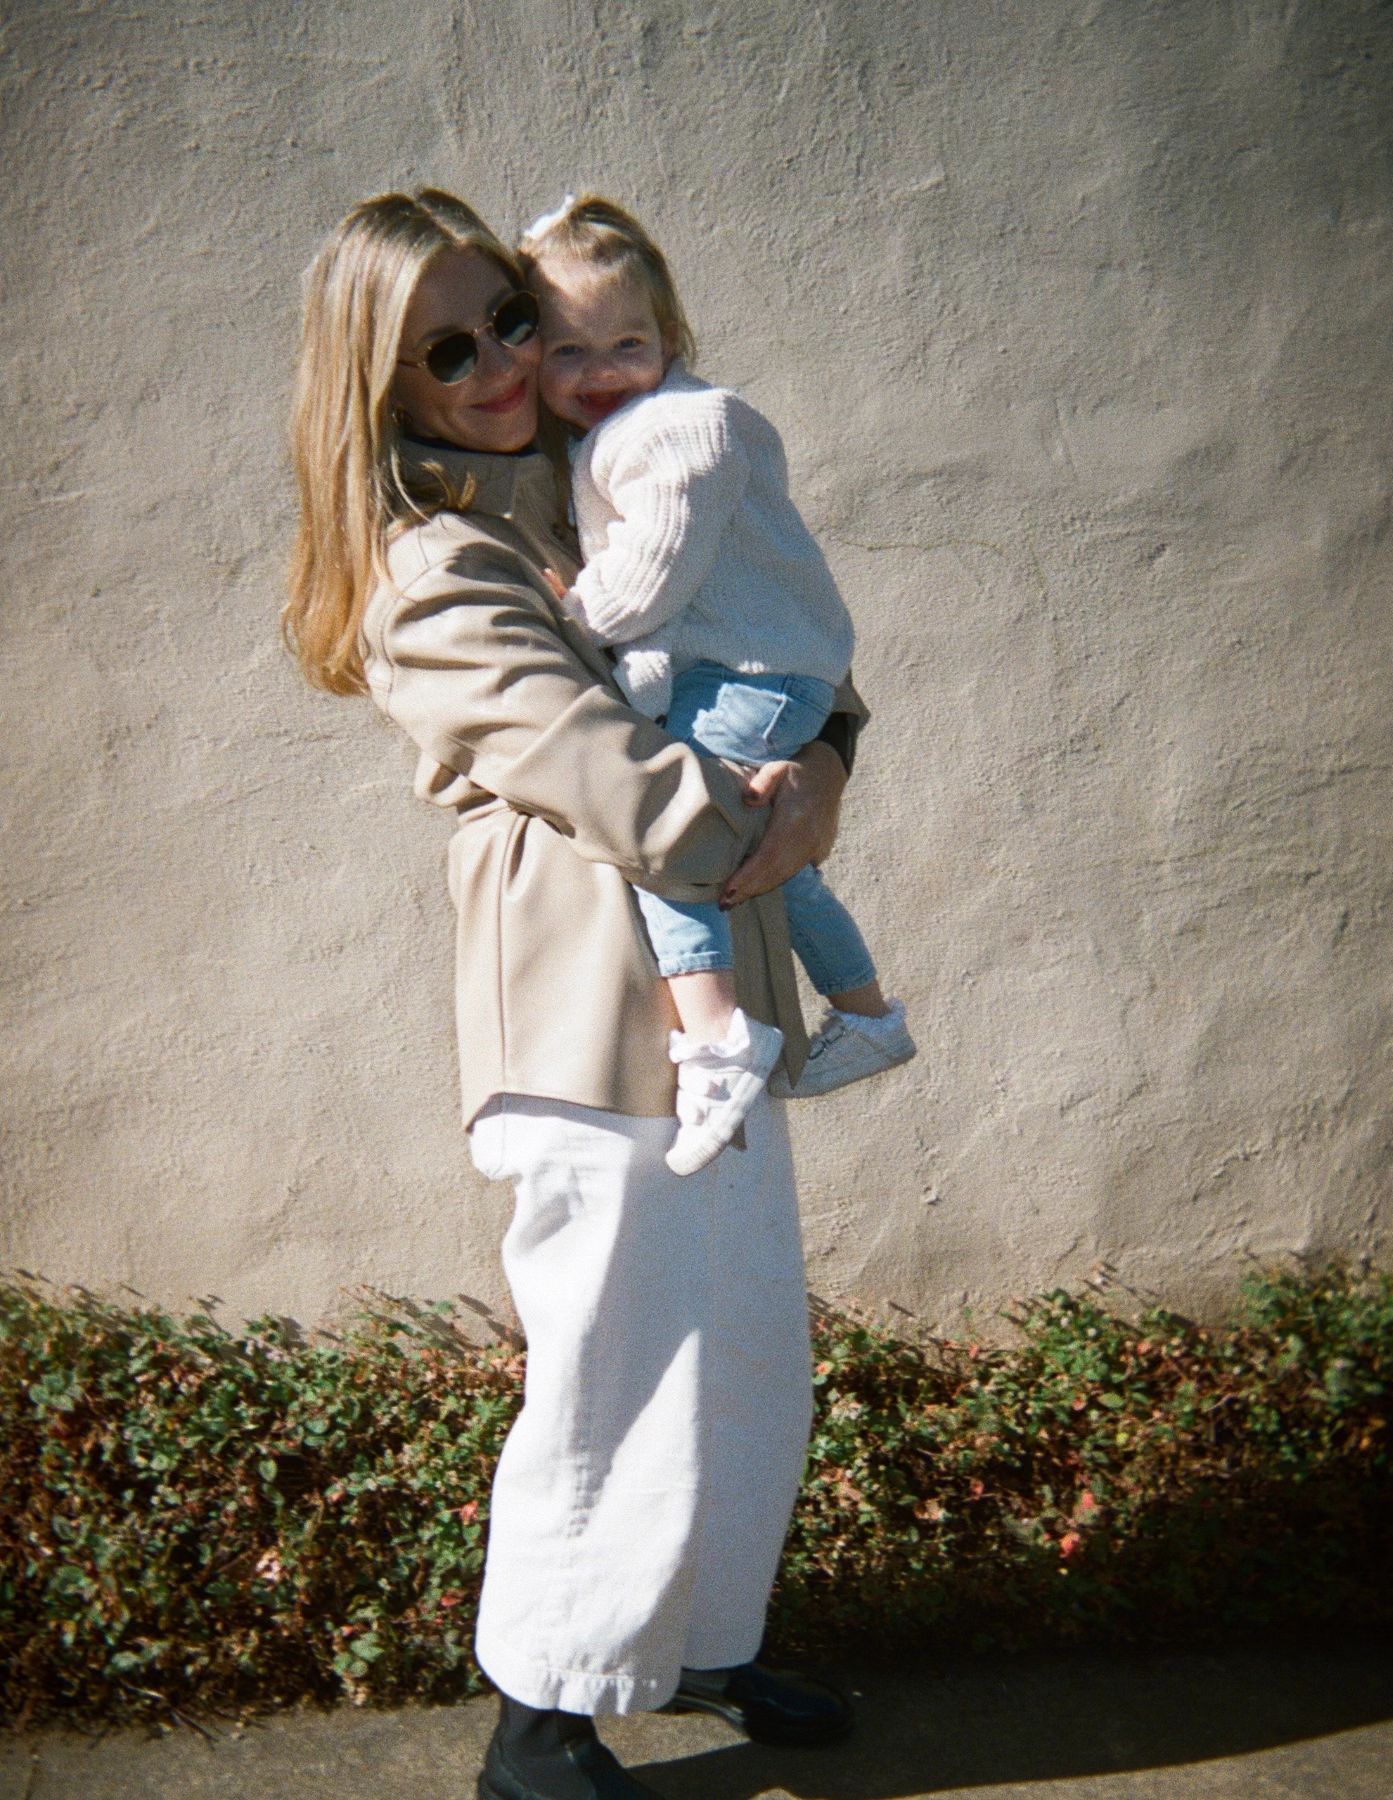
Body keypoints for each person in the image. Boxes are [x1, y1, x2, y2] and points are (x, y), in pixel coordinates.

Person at [285, 188, 862, 1800]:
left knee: (742, 1348)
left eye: (508, 323)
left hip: (713, 998)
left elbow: (786, 630)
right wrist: (785, 809)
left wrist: (822, 754)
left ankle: (700, 1646)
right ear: (380, 385)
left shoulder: (612, 476)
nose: (491, 367)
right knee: (609, 1366)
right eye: (442, 350)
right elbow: (598, 767)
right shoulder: (431, 561)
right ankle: (540, 1723)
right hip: (582, 1006)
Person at [521, 195, 915, 1178]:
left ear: (671, 336)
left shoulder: (681, 432)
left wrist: (572, 613)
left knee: (678, 843)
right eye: (570, 353)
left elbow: (651, 579)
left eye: (628, 342)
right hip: (754, 668)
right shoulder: (618, 439)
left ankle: (718, 1040)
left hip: (758, 673)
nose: (601, 371)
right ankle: (867, 1013)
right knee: (764, 857)